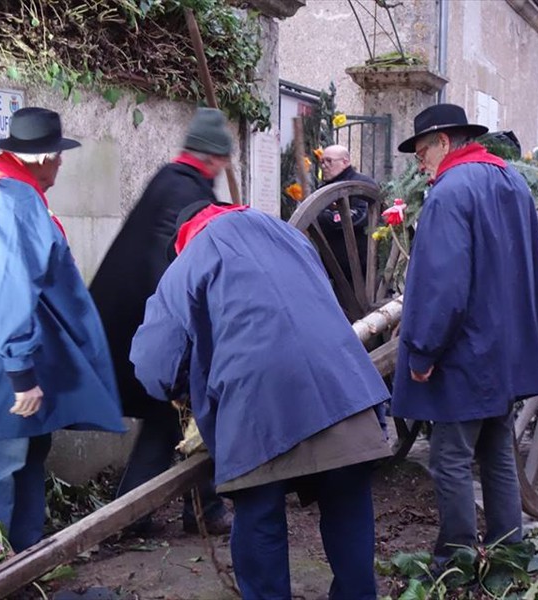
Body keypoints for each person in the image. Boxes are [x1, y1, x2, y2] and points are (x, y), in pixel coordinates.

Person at [130, 202, 391, 599]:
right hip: (344, 387)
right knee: (347, 503)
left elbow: (153, 365)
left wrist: (184, 391)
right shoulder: (287, 235)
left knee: (259, 520)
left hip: (256, 409)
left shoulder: (186, 265)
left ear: (183, 239)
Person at [0, 107, 126, 552]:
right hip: (8, 365)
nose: (62, 163)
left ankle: (22, 563)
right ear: (43, 155)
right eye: (59, 154)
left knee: (26, 459)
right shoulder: (15, 201)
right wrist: (21, 372)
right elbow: (11, 286)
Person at [392, 104, 538, 565]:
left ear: (444, 141)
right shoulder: (510, 181)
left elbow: (444, 286)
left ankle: (457, 559)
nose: (420, 161)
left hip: (462, 356)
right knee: (498, 451)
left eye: (422, 151)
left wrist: (423, 352)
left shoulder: (450, 192)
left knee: (450, 458)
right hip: (503, 351)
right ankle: (508, 552)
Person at [89, 108, 232, 536]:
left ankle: (189, 512)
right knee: (178, 415)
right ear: (212, 158)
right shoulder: (188, 194)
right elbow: (177, 269)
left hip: (132, 326)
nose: (225, 167)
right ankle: (136, 518)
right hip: (151, 331)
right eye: (223, 159)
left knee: (177, 418)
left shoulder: (170, 181)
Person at [317, 144, 377, 281]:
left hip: (361, 268)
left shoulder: (361, 185)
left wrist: (324, 218)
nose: (324, 166)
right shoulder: (323, 189)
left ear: (345, 162)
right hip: (333, 267)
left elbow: (361, 215)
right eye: (322, 161)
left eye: (329, 161)